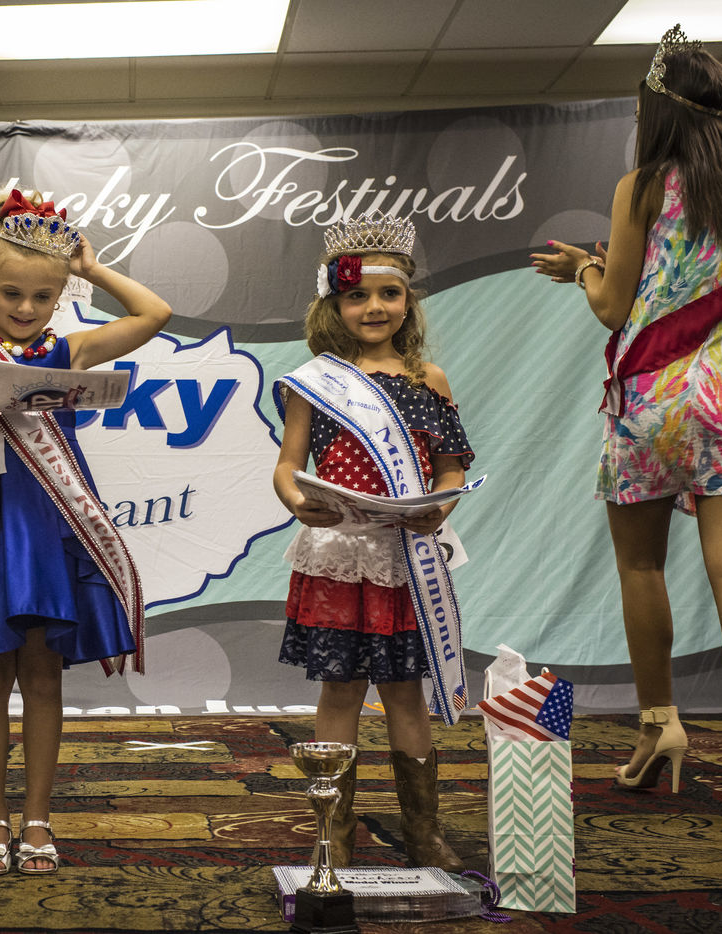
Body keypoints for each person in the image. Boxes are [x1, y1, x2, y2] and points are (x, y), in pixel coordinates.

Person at [531, 24, 722, 828]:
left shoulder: (641, 187)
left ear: (657, 110)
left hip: (657, 400)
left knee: (640, 567)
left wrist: (583, 267)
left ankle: (659, 726)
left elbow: (612, 307)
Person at [0, 188, 171, 874]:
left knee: (43, 674)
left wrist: (93, 269)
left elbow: (154, 315)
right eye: (11, 293)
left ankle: (38, 820)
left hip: (51, 523)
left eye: (43, 296)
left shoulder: (69, 347)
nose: (25, 308)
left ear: (60, 294)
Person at [272, 213, 473, 870]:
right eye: (357, 295)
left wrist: (439, 507)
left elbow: (451, 467)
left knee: (405, 691)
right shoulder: (314, 381)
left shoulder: (428, 379)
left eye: (389, 293)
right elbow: (287, 465)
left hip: (402, 559)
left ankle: (423, 832)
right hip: (338, 557)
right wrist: (297, 501)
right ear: (333, 303)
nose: (374, 307)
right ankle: (333, 830)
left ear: (408, 301)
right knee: (339, 689)